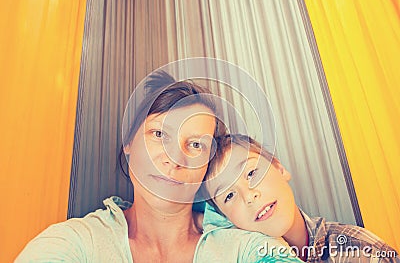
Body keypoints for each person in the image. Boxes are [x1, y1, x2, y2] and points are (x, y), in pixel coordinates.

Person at [15, 72, 302, 262]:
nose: (175, 159)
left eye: (196, 145)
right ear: (129, 143)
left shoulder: (246, 246)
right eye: (159, 135)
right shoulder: (75, 243)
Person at [203, 134, 400, 262]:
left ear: (280, 169)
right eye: (229, 195)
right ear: (227, 219)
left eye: (252, 173)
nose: (248, 196)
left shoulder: (360, 251)